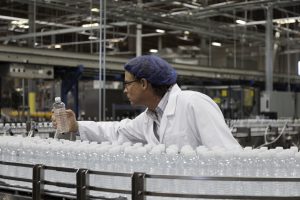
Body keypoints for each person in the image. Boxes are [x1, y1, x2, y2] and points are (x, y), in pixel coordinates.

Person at [52, 55, 241, 149]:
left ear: (143, 83)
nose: (125, 90)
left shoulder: (193, 103)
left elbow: (227, 155)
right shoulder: (150, 117)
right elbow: (117, 132)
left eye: (127, 84)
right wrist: (76, 126)